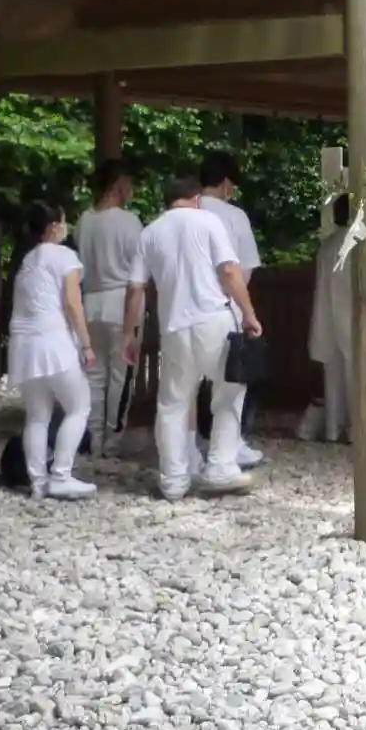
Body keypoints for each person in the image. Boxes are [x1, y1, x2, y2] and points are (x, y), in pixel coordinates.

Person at [122, 174, 262, 501]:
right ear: (196, 199)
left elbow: (135, 289)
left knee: (173, 402)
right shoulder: (209, 221)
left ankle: (173, 480)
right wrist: (249, 313)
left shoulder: (149, 232)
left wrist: (129, 333)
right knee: (229, 391)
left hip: (174, 327)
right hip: (214, 319)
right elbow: (229, 271)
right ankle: (221, 467)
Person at [8, 201, 97, 500]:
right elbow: (72, 303)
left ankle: (38, 483)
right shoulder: (64, 256)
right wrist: (86, 344)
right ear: (54, 226)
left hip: (24, 345)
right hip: (53, 341)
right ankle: (61, 474)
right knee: (79, 406)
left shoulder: (27, 261)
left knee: (37, 416)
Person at [199, 152, 265, 468]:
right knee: (231, 383)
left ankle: (184, 454)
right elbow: (245, 268)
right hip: (226, 305)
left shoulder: (184, 211)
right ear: (226, 183)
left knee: (183, 388)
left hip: (184, 308)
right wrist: (243, 304)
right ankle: (227, 451)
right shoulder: (233, 216)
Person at [77, 158, 142, 450]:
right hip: (122, 302)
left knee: (94, 375)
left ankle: (93, 437)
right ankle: (113, 440)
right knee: (120, 375)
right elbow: (138, 272)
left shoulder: (84, 220)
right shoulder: (129, 222)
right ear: (118, 185)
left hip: (91, 301)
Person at [302, 194, 355, 444]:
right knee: (354, 377)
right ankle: (355, 430)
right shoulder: (358, 245)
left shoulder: (327, 245)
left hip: (326, 316)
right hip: (351, 316)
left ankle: (333, 429)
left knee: (332, 375)